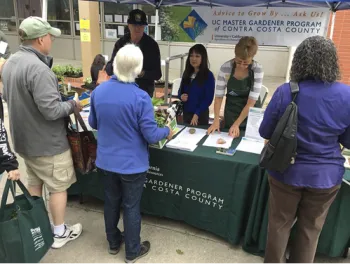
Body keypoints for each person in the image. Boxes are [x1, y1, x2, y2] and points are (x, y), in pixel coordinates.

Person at [259, 36, 350, 264]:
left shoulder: (286, 91)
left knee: (279, 225)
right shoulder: (347, 95)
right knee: (310, 231)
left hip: (285, 172)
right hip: (326, 176)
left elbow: (265, 131)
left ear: (299, 61)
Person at [1, 17, 83, 249]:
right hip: (48, 143)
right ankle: (59, 232)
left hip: (24, 143)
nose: (52, 40)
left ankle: (41, 225)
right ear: (40, 39)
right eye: (50, 36)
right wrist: (73, 105)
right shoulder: (39, 69)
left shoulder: (10, 63)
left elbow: (8, 97)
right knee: (58, 187)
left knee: (35, 183)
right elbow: (52, 110)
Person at [89, 44, 173, 264]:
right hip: (132, 165)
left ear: (114, 65)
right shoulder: (141, 97)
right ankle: (132, 251)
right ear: (138, 69)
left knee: (111, 203)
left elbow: (93, 123)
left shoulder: (99, 91)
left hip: (106, 161)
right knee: (131, 207)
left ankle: (114, 243)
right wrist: (168, 130)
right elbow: (152, 135)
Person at [207, 36, 264, 137]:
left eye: (246, 63)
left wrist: (237, 124)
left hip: (251, 113)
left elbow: (251, 102)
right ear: (235, 55)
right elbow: (219, 97)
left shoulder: (257, 69)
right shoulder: (226, 68)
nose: (242, 66)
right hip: (232, 111)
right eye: (238, 62)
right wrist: (216, 120)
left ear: (252, 57)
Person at [105, 9, 161, 97]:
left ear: (144, 27)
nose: (137, 28)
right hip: (122, 89)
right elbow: (109, 69)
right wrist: (119, 69)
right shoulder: (121, 43)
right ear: (128, 25)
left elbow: (157, 74)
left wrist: (142, 73)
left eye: (141, 25)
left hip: (143, 91)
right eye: (134, 25)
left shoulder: (152, 45)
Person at [178, 44, 215, 126]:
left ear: (203, 58)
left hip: (200, 114)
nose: (193, 59)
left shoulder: (208, 76)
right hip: (187, 112)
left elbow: (208, 99)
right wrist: (181, 96)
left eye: (197, 56)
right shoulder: (187, 73)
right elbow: (180, 90)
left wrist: (197, 113)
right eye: (191, 56)